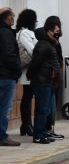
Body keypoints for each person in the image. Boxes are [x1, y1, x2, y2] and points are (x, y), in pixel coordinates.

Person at [27, 24, 61, 144]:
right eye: (53, 32)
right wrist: (30, 76)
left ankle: (42, 133)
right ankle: (38, 135)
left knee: (45, 110)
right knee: (42, 110)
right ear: (46, 33)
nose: (55, 34)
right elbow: (35, 63)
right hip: (43, 82)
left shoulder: (48, 45)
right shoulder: (43, 45)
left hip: (49, 81)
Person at [0, 7, 21, 146]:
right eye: (13, 16)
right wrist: (18, 69)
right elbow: (9, 55)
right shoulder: (6, 33)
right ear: (8, 18)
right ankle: (2, 136)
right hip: (6, 76)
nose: (14, 18)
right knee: (5, 108)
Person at [16, 9, 38, 137]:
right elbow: (32, 49)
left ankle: (27, 125)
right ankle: (26, 124)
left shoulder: (30, 32)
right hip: (26, 70)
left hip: (32, 69)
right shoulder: (24, 32)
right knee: (27, 97)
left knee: (28, 97)